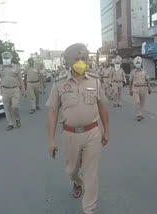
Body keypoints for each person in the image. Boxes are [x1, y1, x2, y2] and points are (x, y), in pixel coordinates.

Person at [46, 43, 109, 214]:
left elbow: (102, 106)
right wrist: (51, 141)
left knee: (91, 174)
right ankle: (77, 181)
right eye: (77, 59)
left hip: (92, 133)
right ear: (68, 62)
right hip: (70, 134)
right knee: (72, 170)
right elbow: (53, 112)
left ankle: (89, 209)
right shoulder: (59, 84)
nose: (81, 62)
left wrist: (106, 130)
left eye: (83, 59)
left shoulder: (95, 81)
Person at [0, 52, 26, 131]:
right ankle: (10, 123)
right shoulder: (0, 67)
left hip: (15, 89)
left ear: (11, 58)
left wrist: (23, 90)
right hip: (4, 90)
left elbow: (21, 80)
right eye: (4, 58)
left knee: (15, 106)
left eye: (7, 58)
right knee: (7, 108)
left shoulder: (16, 67)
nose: (6, 59)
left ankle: (17, 119)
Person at [129, 56, 152, 121]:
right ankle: (138, 114)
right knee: (137, 102)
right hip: (135, 88)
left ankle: (141, 114)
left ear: (141, 63)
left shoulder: (144, 71)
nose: (138, 64)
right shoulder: (133, 72)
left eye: (139, 62)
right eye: (137, 63)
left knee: (142, 102)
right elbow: (130, 81)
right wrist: (130, 89)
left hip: (143, 88)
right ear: (135, 64)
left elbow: (147, 80)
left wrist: (149, 88)